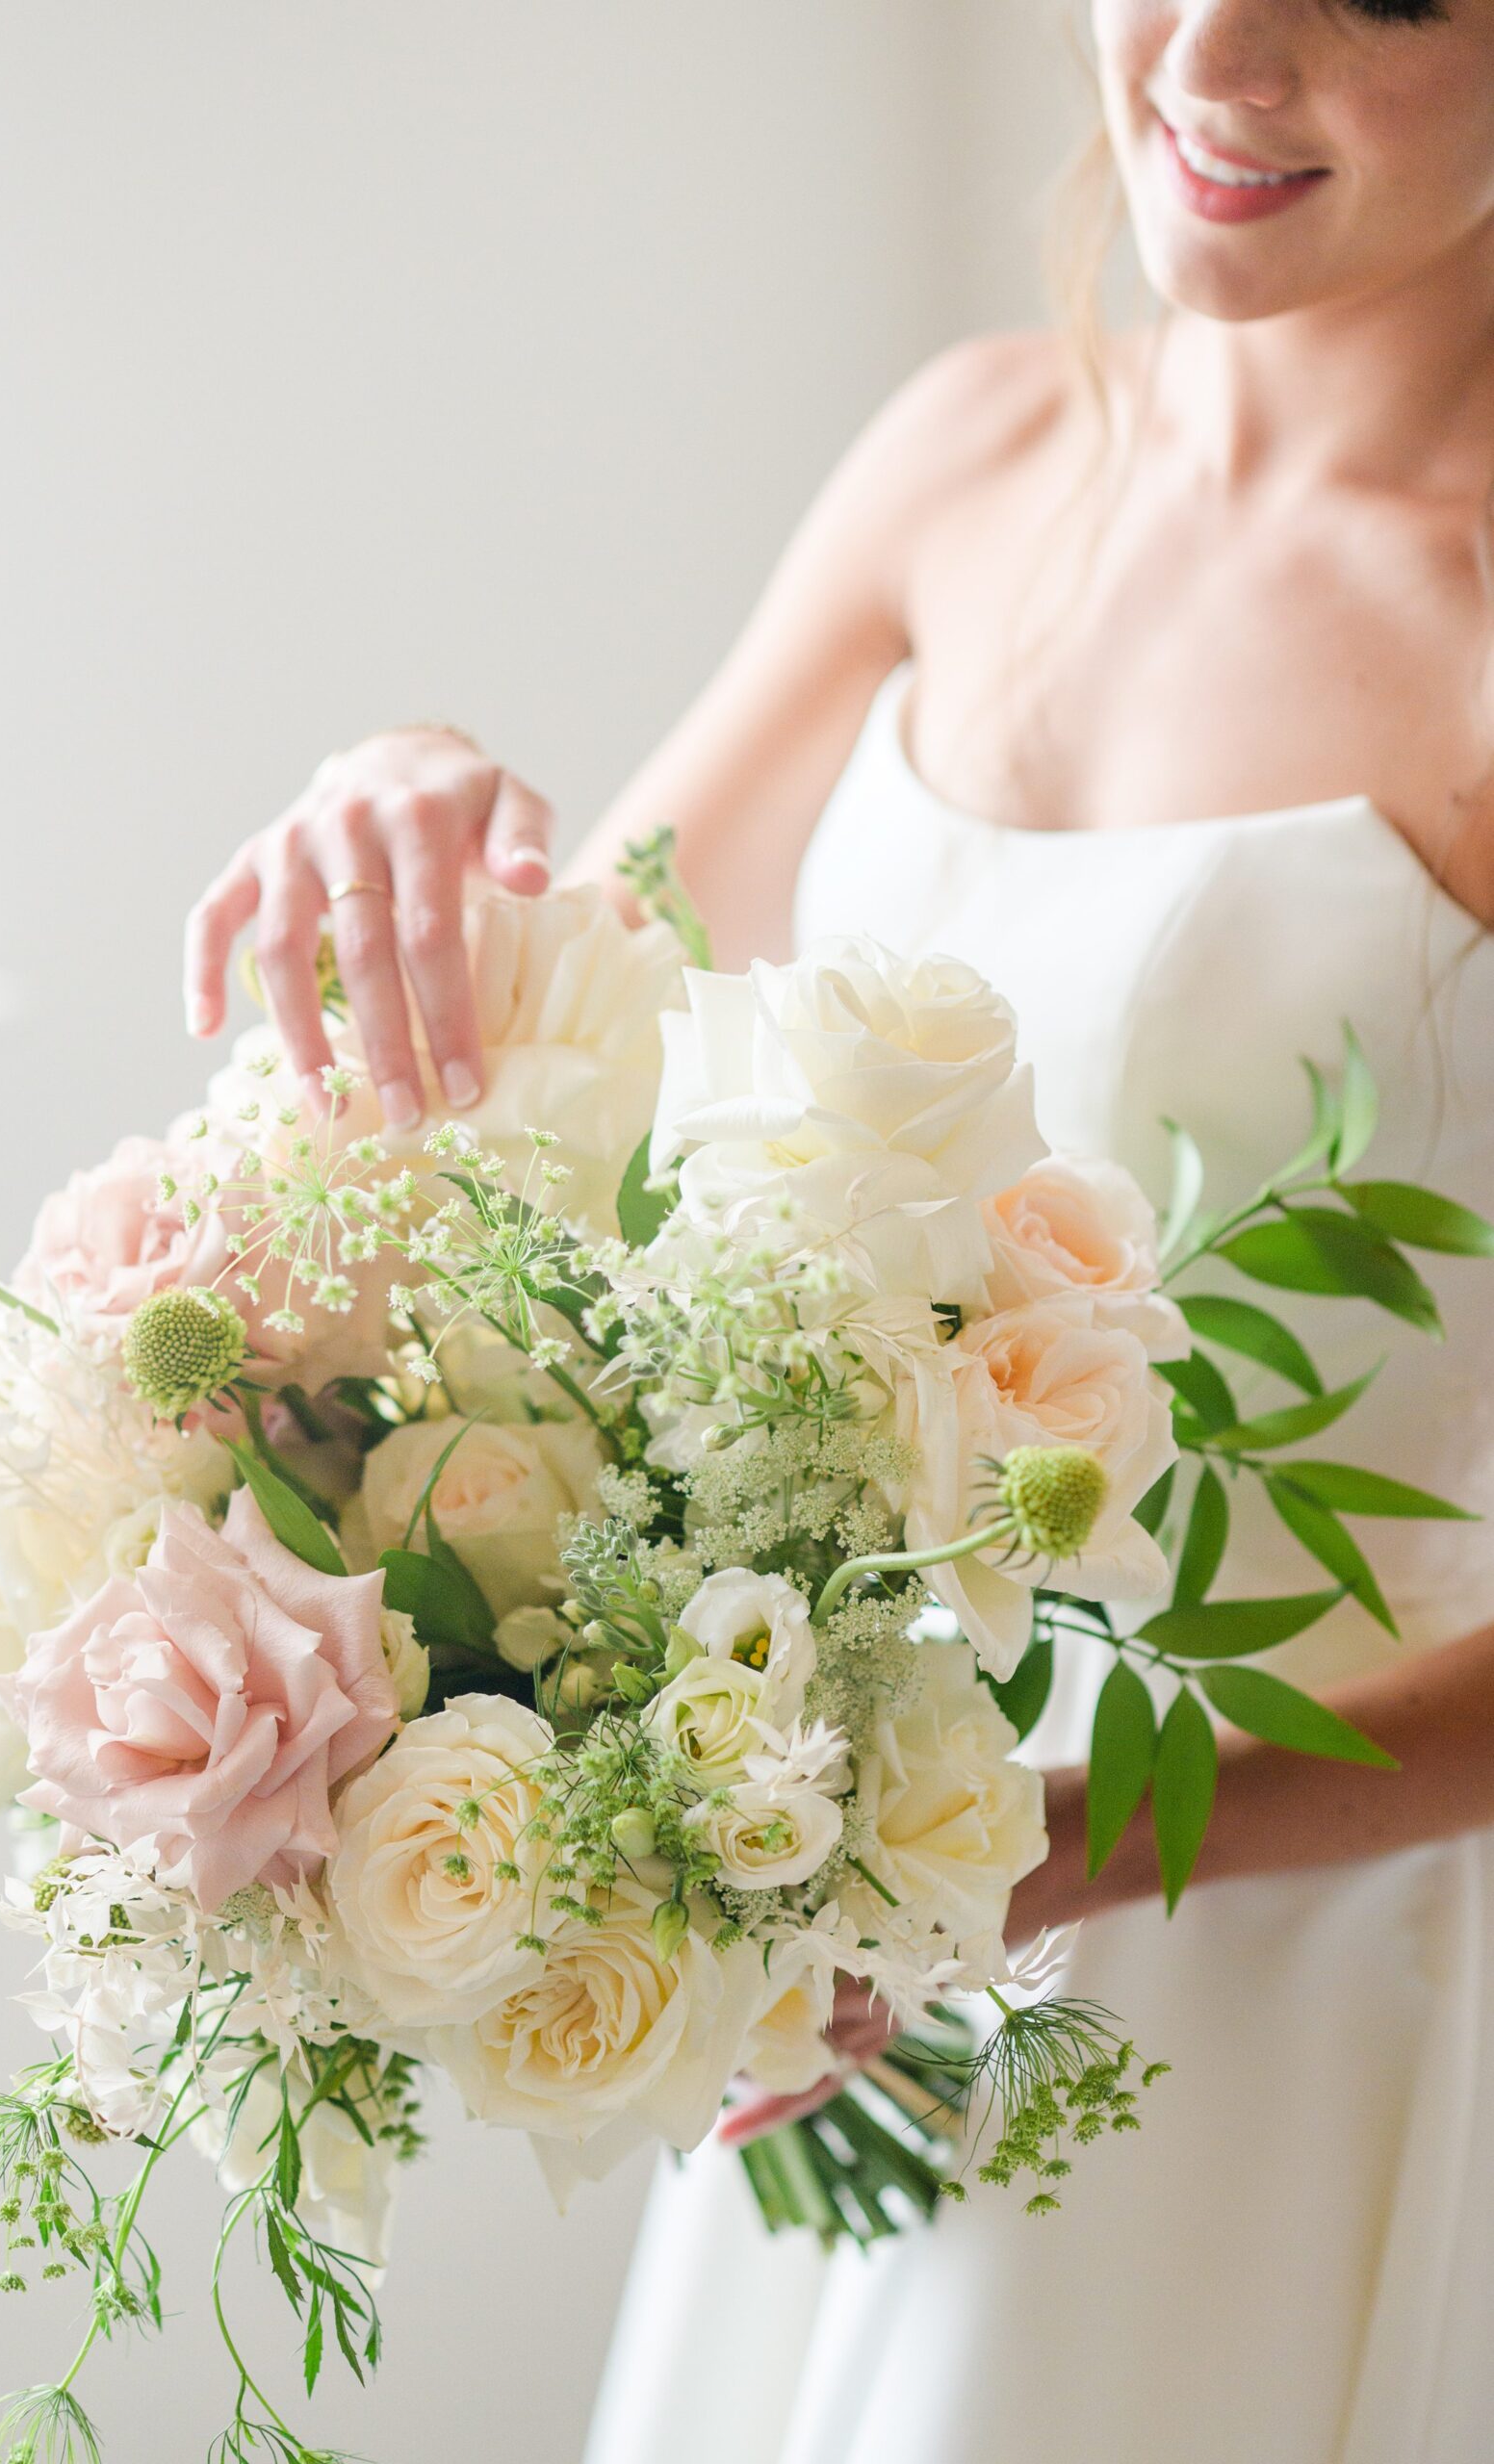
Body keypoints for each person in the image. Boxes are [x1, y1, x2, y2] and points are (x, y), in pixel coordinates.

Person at [185, 4, 1494, 2454]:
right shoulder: (974, 450)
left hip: (1311, 1945)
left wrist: (1039, 1850)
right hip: (878, 1911)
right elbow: (549, 1053)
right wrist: (410, 788)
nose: (1215, 50)